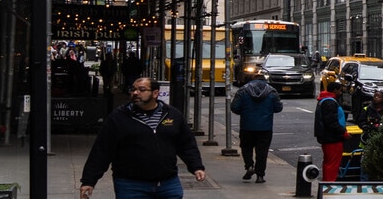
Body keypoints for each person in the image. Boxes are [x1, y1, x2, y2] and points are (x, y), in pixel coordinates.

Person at [78, 75, 206, 199]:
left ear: (155, 93)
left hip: (168, 184)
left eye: (142, 90)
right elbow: (102, 150)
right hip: (131, 186)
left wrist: (196, 166)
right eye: (133, 89)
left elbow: (186, 144)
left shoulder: (172, 115)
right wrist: (89, 180)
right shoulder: (118, 118)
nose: (135, 93)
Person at [229, 71, 283, 183]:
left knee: (246, 147)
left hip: (247, 126)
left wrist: (245, 113)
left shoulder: (243, 90)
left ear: (252, 79)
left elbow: (234, 107)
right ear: (264, 79)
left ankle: (249, 165)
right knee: (262, 151)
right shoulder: (271, 91)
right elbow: (278, 108)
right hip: (265, 127)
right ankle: (260, 175)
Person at [313, 83, 347, 182]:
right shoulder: (330, 103)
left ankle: (327, 182)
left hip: (328, 137)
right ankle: (329, 184)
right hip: (332, 138)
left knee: (328, 162)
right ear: (335, 90)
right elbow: (331, 122)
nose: (341, 92)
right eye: (340, 90)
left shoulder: (324, 100)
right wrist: (343, 132)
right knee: (333, 163)